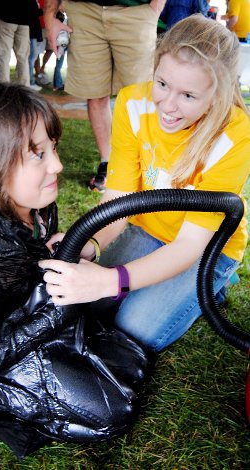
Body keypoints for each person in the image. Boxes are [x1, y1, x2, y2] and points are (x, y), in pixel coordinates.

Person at [0, 82, 145, 459]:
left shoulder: (35, 205)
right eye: (38, 155)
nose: (57, 165)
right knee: (113, 413)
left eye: (53, 149)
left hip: (30, 312)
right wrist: (58, 313)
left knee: (134, 359)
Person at [39, 15, 250, 354]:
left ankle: (215, 280)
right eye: (162, 83)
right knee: (88, 305)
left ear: (217, 94)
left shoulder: (235, 136)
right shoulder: (133, 104)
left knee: (134, 328)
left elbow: (188, 246)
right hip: (147, 229)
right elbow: (119, 197)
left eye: (188, 95)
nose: (167, 105)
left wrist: (109, 280)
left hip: (205, 248)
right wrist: (90, 244)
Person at [44, 0, 166, 192]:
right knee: (95, 93)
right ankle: (109, 163)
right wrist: (50, 16)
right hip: (83, 11)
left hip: (135, 10)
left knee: (143, 96)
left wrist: (156, 6)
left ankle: (148, 163)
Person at [0, 0, 37, 84]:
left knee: (4, 56)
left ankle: (4, 90)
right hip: (24, 21)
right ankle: (24, 89)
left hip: (5, 19)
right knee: (23, 58)